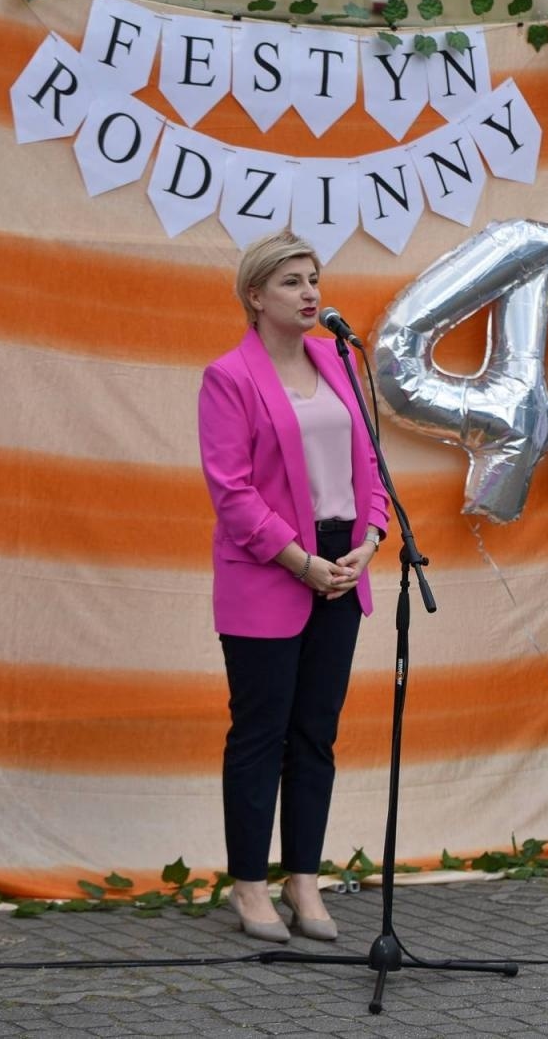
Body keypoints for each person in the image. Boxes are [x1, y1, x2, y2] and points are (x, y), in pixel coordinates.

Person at [197, 230, 388, 943]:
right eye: (291, 282)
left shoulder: (338, 360)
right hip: (271, 570)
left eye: (314, 278)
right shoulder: (230, 378)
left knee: (316, 734)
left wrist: (368, 543)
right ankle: (250, 887)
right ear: (255, 297)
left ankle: (303, 882)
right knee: (260, 733)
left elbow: (371, 465)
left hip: (344, 563)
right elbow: (233, 493)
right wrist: (301, 561)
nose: (311, 293)